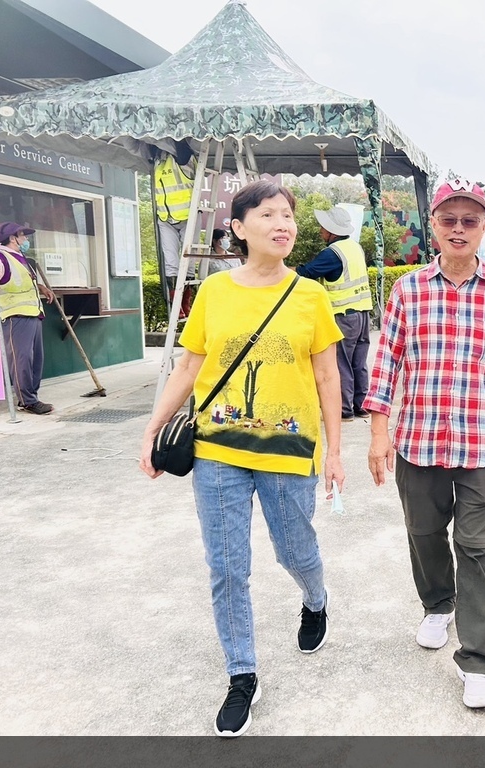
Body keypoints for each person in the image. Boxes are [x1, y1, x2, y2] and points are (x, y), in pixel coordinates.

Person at [139, 179, 345, 738]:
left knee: (294, 549)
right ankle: (242, 674)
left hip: (288, 448)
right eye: (269, 215)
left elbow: (328, 375)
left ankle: (316, 597)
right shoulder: (213, 292)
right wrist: (154, 428)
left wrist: (334, 451)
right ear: (239, 227)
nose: (284, 225)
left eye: (288, 216)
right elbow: (188, 367)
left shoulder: (310, 296)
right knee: (227, 565)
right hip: (217, 449)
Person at [363, 179, 485, 710]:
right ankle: (437, 603)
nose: (459, 229)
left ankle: (478, 660)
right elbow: (386, 360)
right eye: (448, 219)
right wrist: (378, 431)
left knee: (479, 549)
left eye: (470, 220)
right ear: (432, 225)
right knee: (424, 532)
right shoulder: (408, 290)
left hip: (482, 444)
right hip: (418, 440)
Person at [296, 207, 373, 421]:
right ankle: (361, 404)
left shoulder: (332, 253)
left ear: (332, 230)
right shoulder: (354, 247)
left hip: (343, 315)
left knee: (341, 363)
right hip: (363, 313)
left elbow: (306, 272)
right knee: (359, 362)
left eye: (323, 227)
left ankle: (344, 409)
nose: (321, 230)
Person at [0, 222, 56, 414]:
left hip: (33, 314)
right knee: (22, 359)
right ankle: (27, 400)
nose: (26, 239)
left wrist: (41, 287)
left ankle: (31, 397)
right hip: (15, 316)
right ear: (12, 238)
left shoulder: (20, 257)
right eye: (23, 235)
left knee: (36, 360)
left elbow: (24, 282)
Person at [153, 147, 197, 318]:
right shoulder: (157, 160)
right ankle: (175, 303)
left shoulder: (183, 155)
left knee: (189, 262)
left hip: (188, 216)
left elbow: (179, 144)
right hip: (165, 218)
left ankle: (186, 302)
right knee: (171, 262)